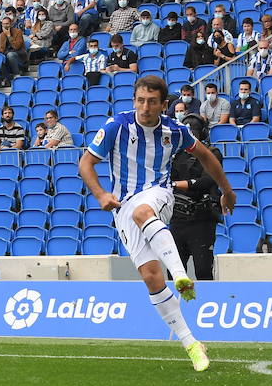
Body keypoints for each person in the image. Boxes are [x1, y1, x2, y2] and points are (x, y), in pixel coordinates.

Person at [80, 76, 237, 371]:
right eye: (140, 100)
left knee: (143, 211)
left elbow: (207, 159)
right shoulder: (117, 126)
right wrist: (100, 193)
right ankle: (191, 342)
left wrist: (227, 191)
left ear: (164, 105)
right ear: (134, 100)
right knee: (152, 277)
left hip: (159, 193)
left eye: (152, 101)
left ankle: (180, 275)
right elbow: (85, 163)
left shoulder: (175, 131)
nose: (145, 107)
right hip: (122, 205)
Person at [169, 115, 222, 281]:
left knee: (203, 270)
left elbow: (207, 181)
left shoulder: (212, 153)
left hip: (201, 219)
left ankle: (207, 305)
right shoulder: (176, 155)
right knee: (175, 273)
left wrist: (178, 184)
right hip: (177, 219)